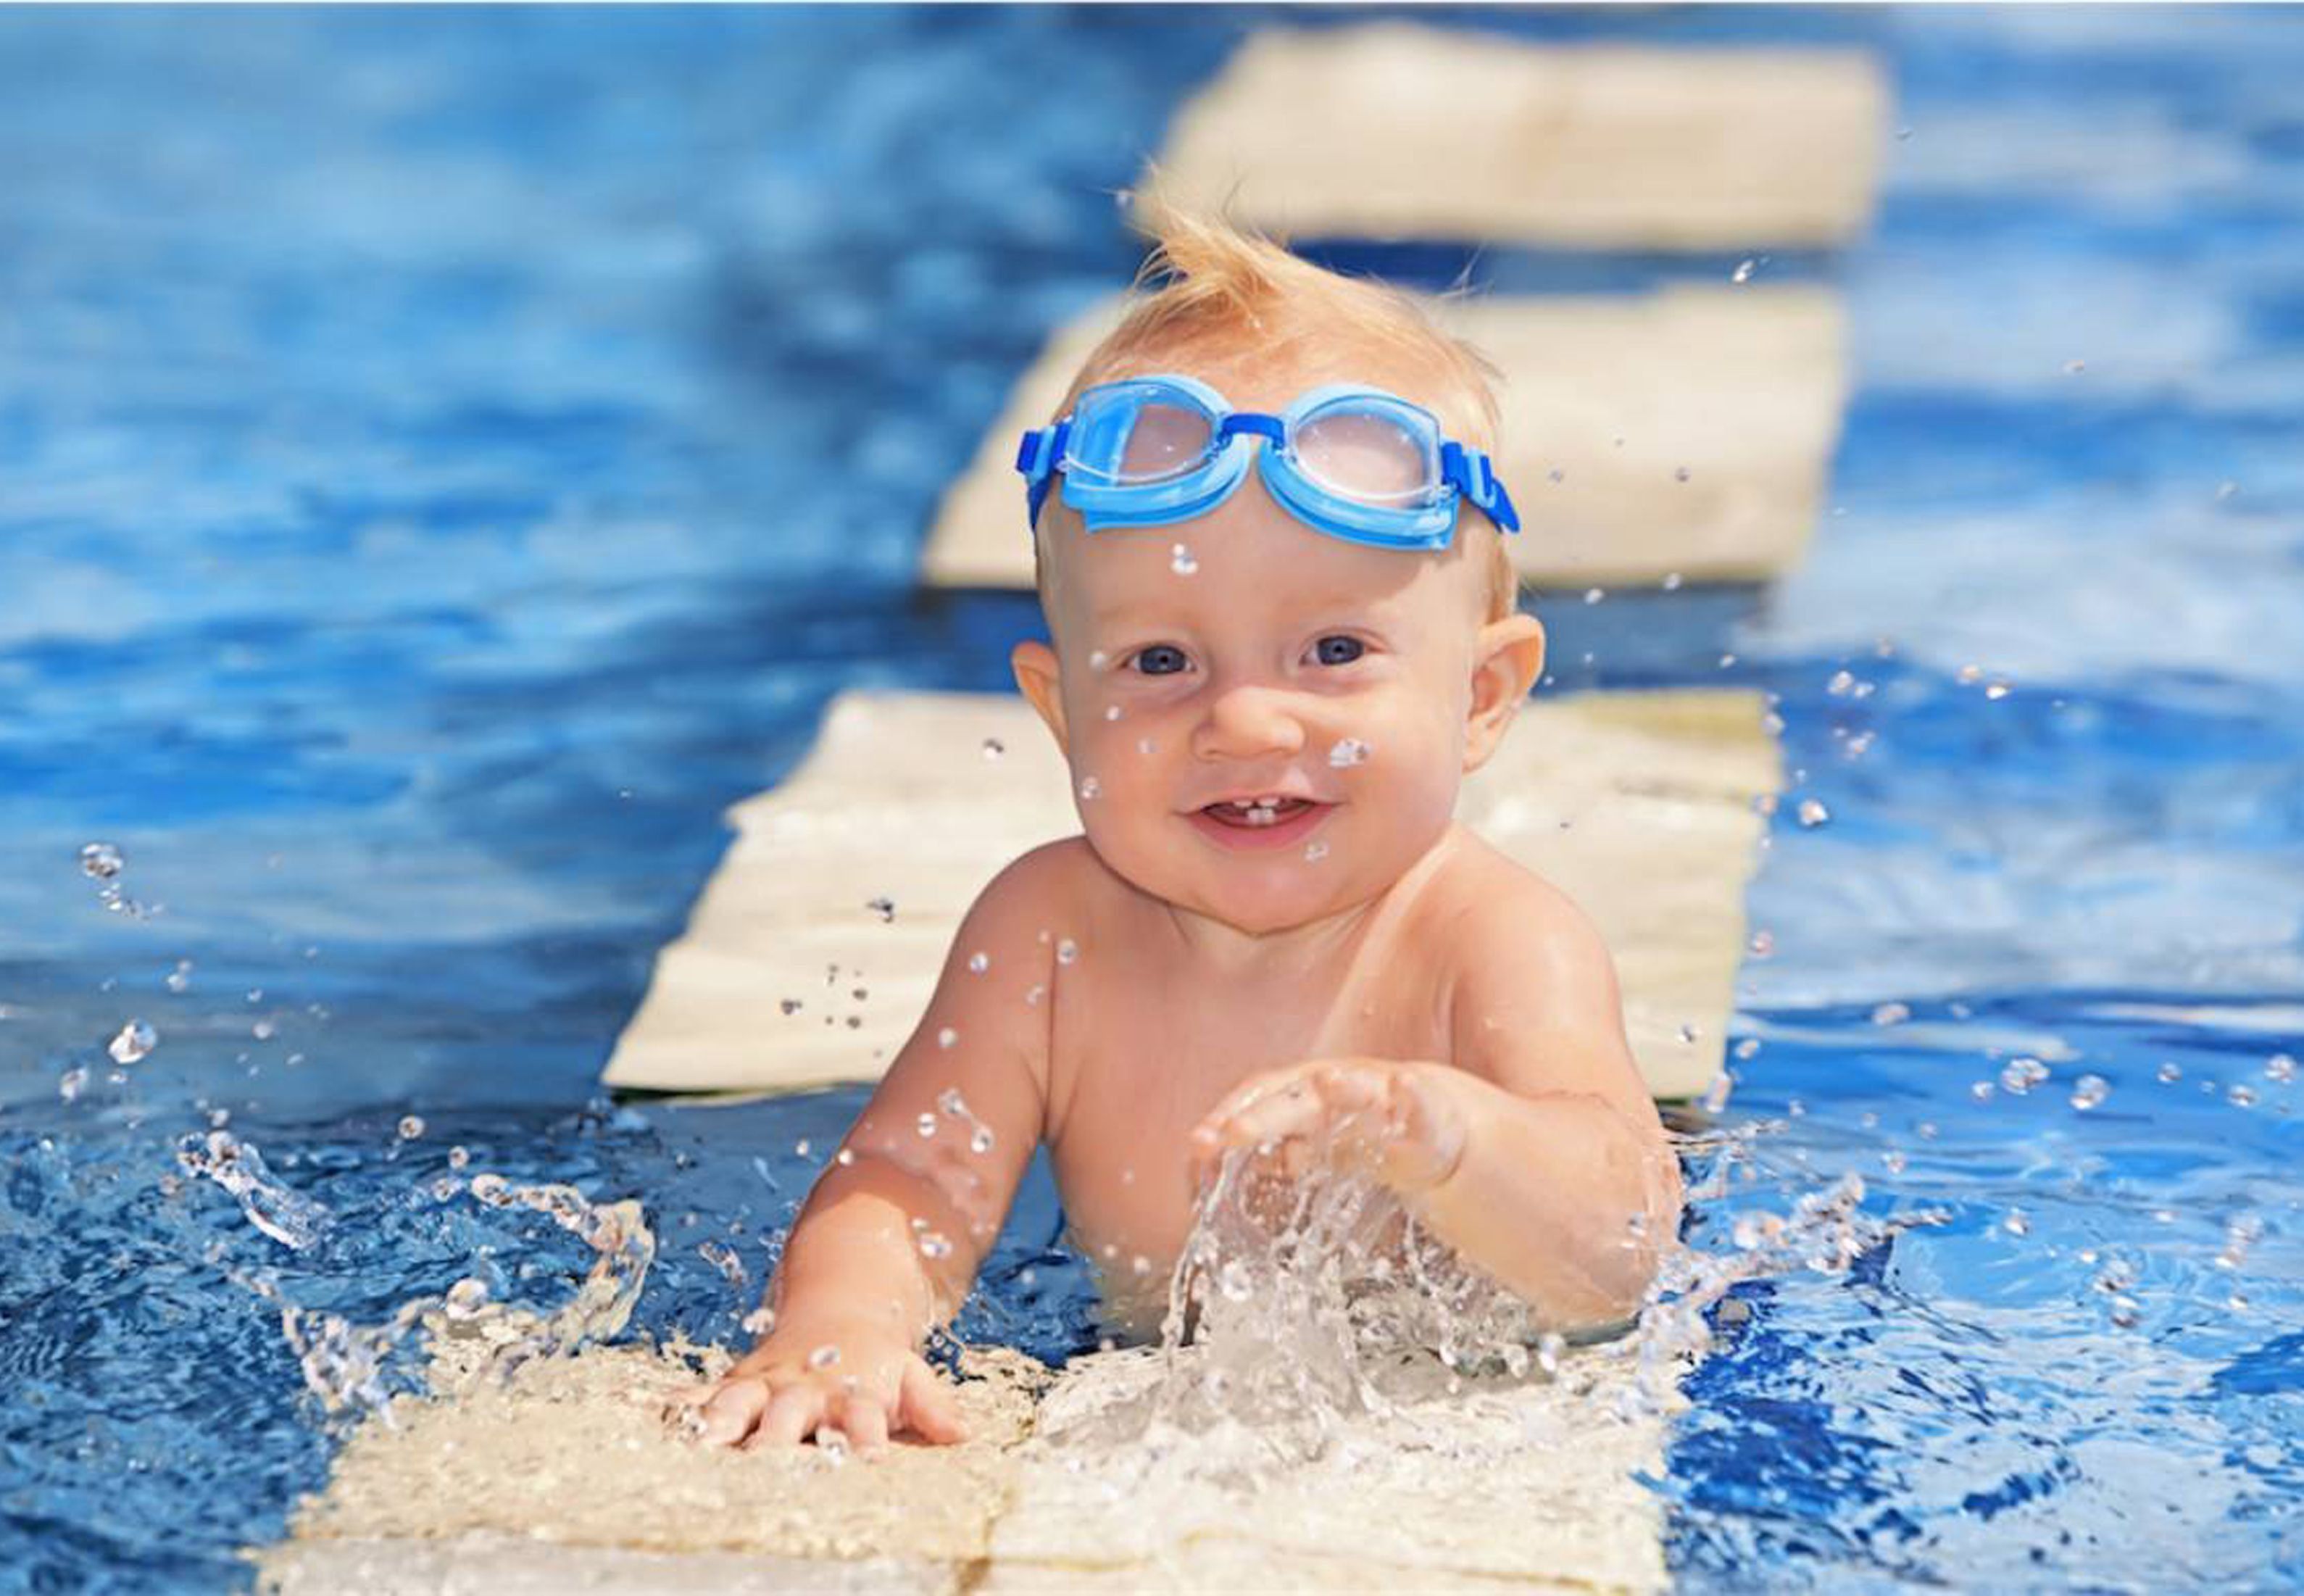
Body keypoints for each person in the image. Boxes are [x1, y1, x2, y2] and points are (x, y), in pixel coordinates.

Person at [690, 207, 1682, 1453]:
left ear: (1481, 695)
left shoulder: (1492, 937)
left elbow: (1621, 1246)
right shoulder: (1050, 931)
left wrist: (1448, 1137)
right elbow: (912, 1180)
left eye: (1334, 650)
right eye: (1161, 660)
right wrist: (840, 1328)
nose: (1249, 722)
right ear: (1063, 711)